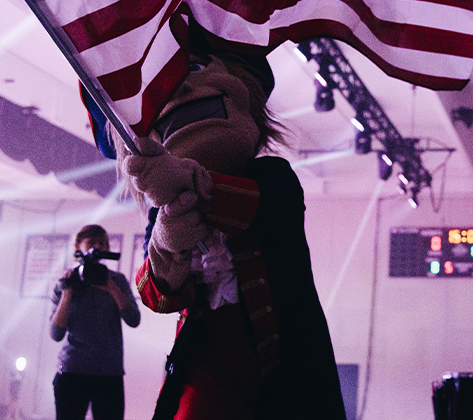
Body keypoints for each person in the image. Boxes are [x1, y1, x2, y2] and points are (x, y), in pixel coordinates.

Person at [120, 21, 347, 420]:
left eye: (190, 73)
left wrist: (189, 181)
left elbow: (267, 210)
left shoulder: (273, 176)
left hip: (288, 367)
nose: (183, 90)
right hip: (208, 368)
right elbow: (156, 295)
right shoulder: (161, 212)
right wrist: (167, 240)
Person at [50, 224, 141, 420]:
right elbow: (56, 334)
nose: (98, 246)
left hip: (109, 373)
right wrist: (67, 294)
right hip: (72, 371)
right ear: (78, 246)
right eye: (92, 242)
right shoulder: (67, 280)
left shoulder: (117, 280)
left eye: (102, 243)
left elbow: (134, 319)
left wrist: (109, 286)